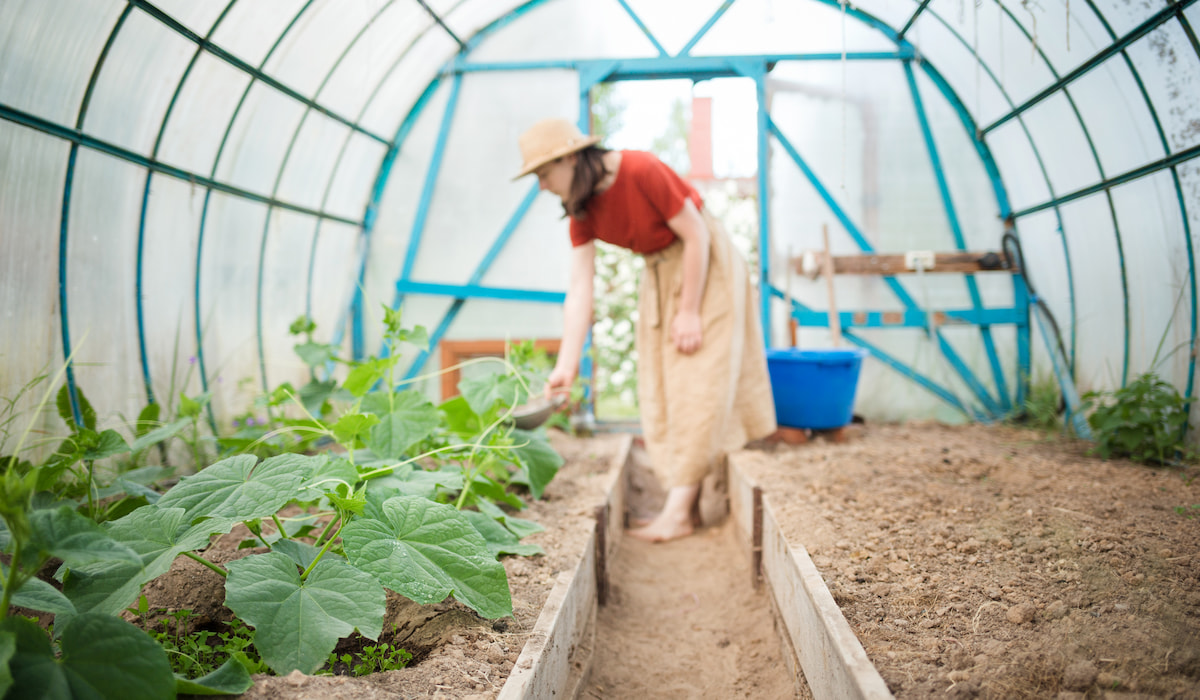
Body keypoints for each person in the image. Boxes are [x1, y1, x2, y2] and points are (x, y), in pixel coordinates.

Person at [514, 117, 777, 542]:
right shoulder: (582, 210)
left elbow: (696, 235)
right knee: (663, 381)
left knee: (697, 379)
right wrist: (566, 365)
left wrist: (689, 310)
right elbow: (580, 290)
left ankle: (679, 513)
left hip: (703, 265)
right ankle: (681, 503)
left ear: (569, 158)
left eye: (543, 174)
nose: (542, 186)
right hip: (659, 272)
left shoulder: (640, 169)